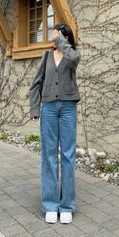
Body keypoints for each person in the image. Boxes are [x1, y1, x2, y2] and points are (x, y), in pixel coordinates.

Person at [29, 23, 81, 224]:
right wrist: (35, 109)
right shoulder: (46, 57)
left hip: (68, 108)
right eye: (55, 35)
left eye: (60, 35)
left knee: (68, 155)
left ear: (66, 38)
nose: (56, 38)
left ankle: (67, 205)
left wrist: (61, 40)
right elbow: (36, 84)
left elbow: (74, 57)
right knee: (49, 154)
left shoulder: (72, 56)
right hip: (49, 108)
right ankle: (51, 204)